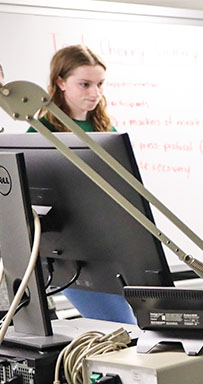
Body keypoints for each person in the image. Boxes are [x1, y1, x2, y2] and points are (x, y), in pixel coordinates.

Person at [27, 45, 133, 324]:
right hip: (74, 251)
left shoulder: (105, 129)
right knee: (119, 326)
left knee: (132, 329)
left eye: (99, 84)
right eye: (84, 84)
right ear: (60, 82)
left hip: (112, 244)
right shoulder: (40, 132)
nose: (94, 93)